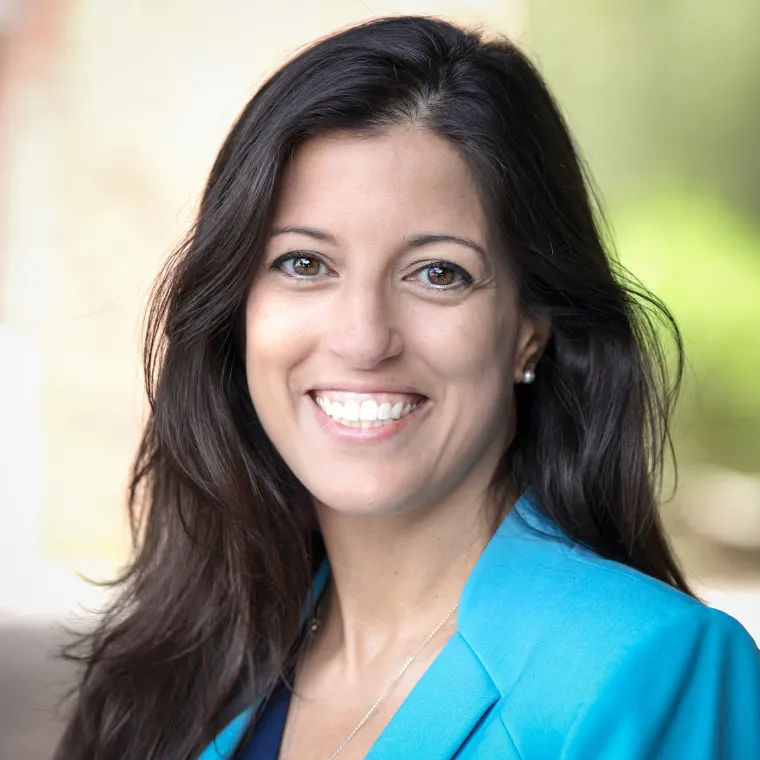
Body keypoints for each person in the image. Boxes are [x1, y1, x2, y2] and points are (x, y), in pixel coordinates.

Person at [54, 15, 760, 760]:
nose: (364, 338)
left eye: (438, 274)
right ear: (238, 307)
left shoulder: (650, 670)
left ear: (530, 327)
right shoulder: (177, 669)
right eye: (304, 264)